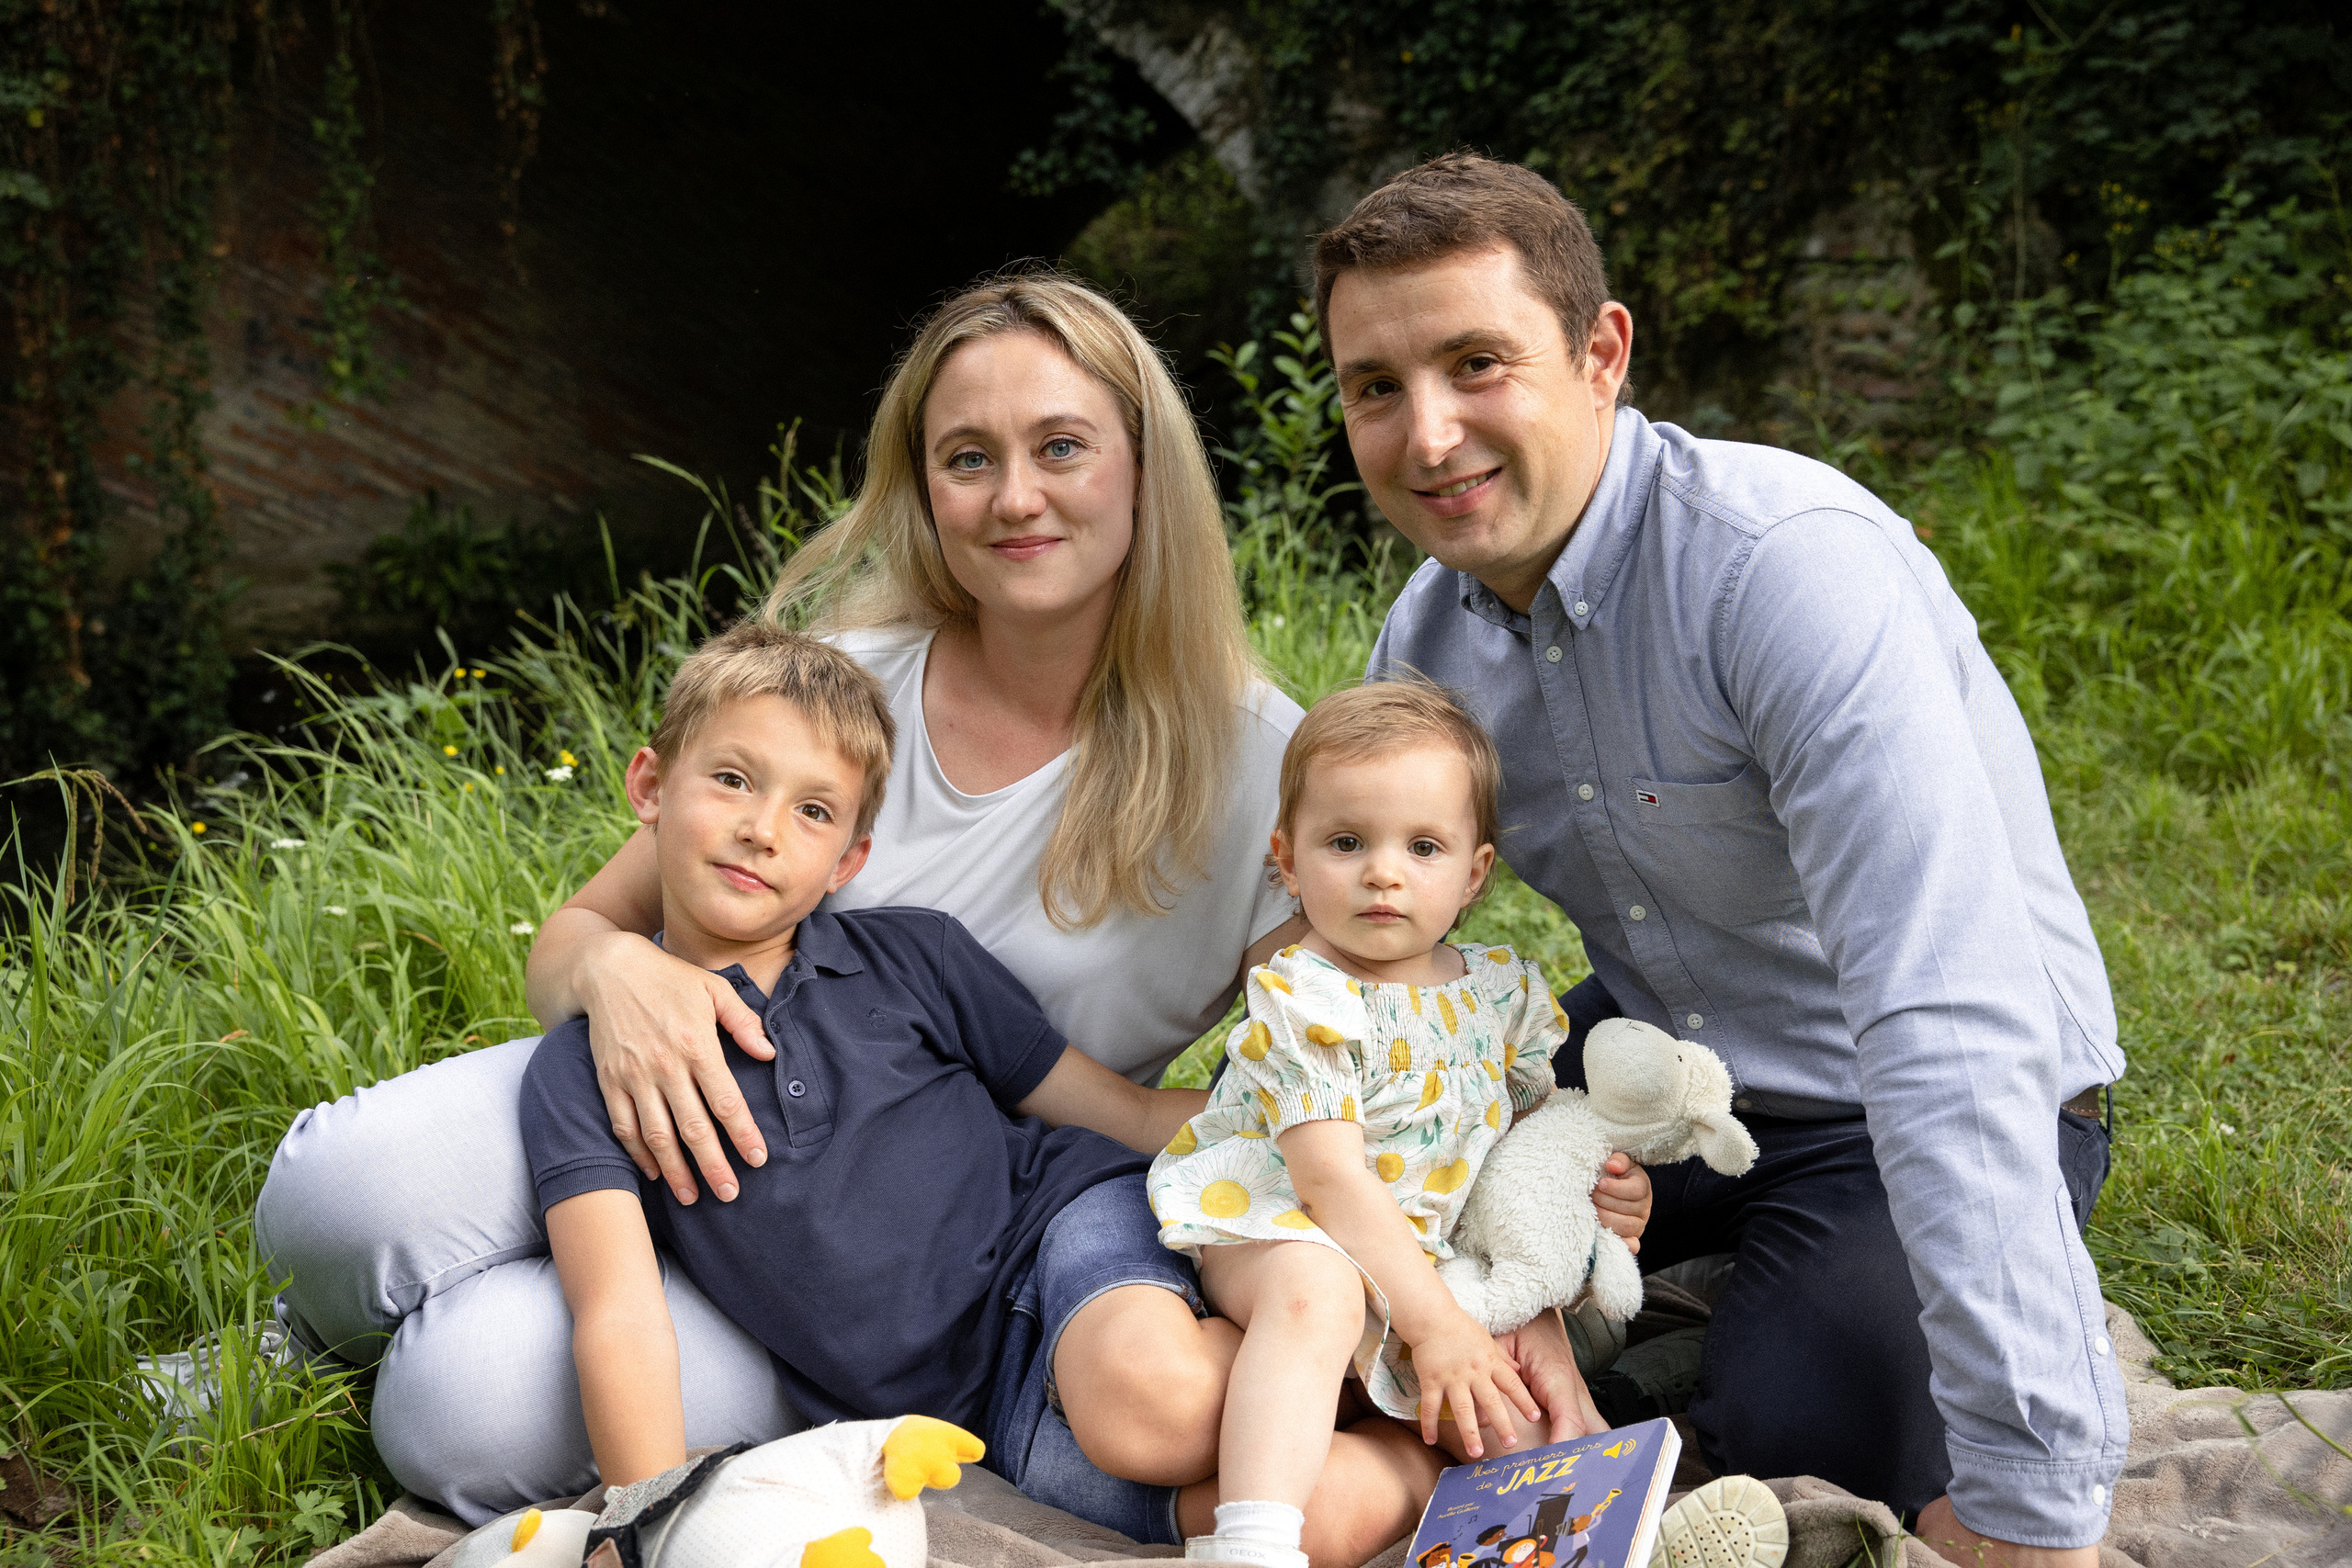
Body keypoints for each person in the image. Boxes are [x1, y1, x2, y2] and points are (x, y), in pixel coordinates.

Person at [254, 269, 1635, 1556]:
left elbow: (1356, 1051)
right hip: (660, 1092)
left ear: (1144, 466)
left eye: (1062, 447)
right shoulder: (841, 690)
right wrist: (619, 977)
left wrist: (1518, 1254)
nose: (1015, 496)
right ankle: (286, 1338)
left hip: (953, 1244)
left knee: (456, 1409)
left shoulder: (1258, 773)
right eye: (968, 456)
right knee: (335, 1193)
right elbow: (575, 931)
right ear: (923, 487)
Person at [1319, 152, 2129, 1567]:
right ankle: (1615, 1350)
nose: (1429, 433)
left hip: (1882, 1095)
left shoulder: (1783, 567)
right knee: (1327, 1273)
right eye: (1377, 386)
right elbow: (1371, 946)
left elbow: (1950, 1015)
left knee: (1797, 1427)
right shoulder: (1428, 639)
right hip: (1649, 1072)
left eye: (1475, 363)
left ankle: (1735, 1355)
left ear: (1601, 353)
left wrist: (2033, 1491)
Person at [525, 620, 1189, 1495]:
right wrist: (639, 1519)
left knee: (1157, 1406)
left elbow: (1128, 1116)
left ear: (849, 860)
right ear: (649, 786)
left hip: (1064, 1237)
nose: (763, 829)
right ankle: (1399, 1447)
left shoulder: (917, 960)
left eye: (812, 810)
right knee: (1318, 1511)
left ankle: (1352, 1345)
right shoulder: (588, 1069)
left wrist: (1338, 1135)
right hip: (980, 1417)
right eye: (731, 780)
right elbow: (620, 1314)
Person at [1145, 682, 1566, 1567]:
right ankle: (1251, 1544)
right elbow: (1328, 1178)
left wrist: (1597, 1180)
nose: (1384, 871)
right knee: (1319, 1294)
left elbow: (1530, 1127)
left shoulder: (1500, 992)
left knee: (1516, 1420)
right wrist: (1435, 1321)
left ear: (1475, 872)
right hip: (1279, 1220)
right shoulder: (1305, 995)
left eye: (1422, 846)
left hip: (1420, 1252)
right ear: (1288, 863)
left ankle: (1565, 1532)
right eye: (1346, 843)